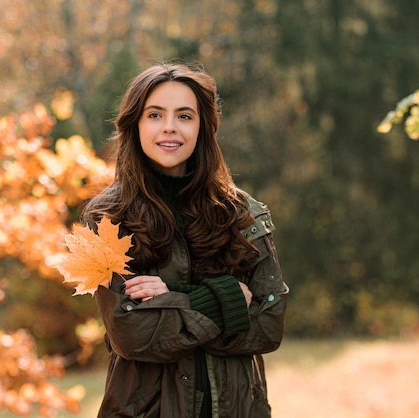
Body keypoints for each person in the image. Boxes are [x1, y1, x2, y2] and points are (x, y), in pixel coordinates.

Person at [82, 62, 289, 418]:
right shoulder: (108, 218)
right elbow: (134, 334)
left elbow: (269, 325)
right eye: (155, 115)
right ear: (135, 124)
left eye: (184, 116)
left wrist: (173, 299)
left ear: (203, 127)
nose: (169, 128)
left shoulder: (243, 213)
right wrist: (225, 298)